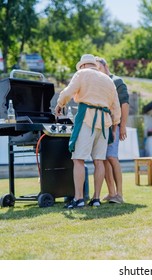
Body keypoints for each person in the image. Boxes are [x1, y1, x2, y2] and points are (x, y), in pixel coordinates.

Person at [55, 54, 121, 209]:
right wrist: (115, 126)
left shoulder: (82, 74)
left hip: (87, 119)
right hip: (104, 123)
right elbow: (116, 108)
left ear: (83, 65)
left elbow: (67, 92)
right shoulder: (108, 80)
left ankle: (79, 199)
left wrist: (59, 104)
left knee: (78, 159)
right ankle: (96, 198)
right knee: (99, 161)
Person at [95, 56, 130, 204]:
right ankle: (111, 193)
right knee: (104, 159)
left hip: (114, 126)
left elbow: (125, 105)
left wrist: (122, 126)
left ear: (105, 66)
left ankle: (119, 194)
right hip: (102, 126)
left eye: (98, 68)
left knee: (112, 157)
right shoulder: (98, 84)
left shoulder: (117, 81)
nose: (97, 72)